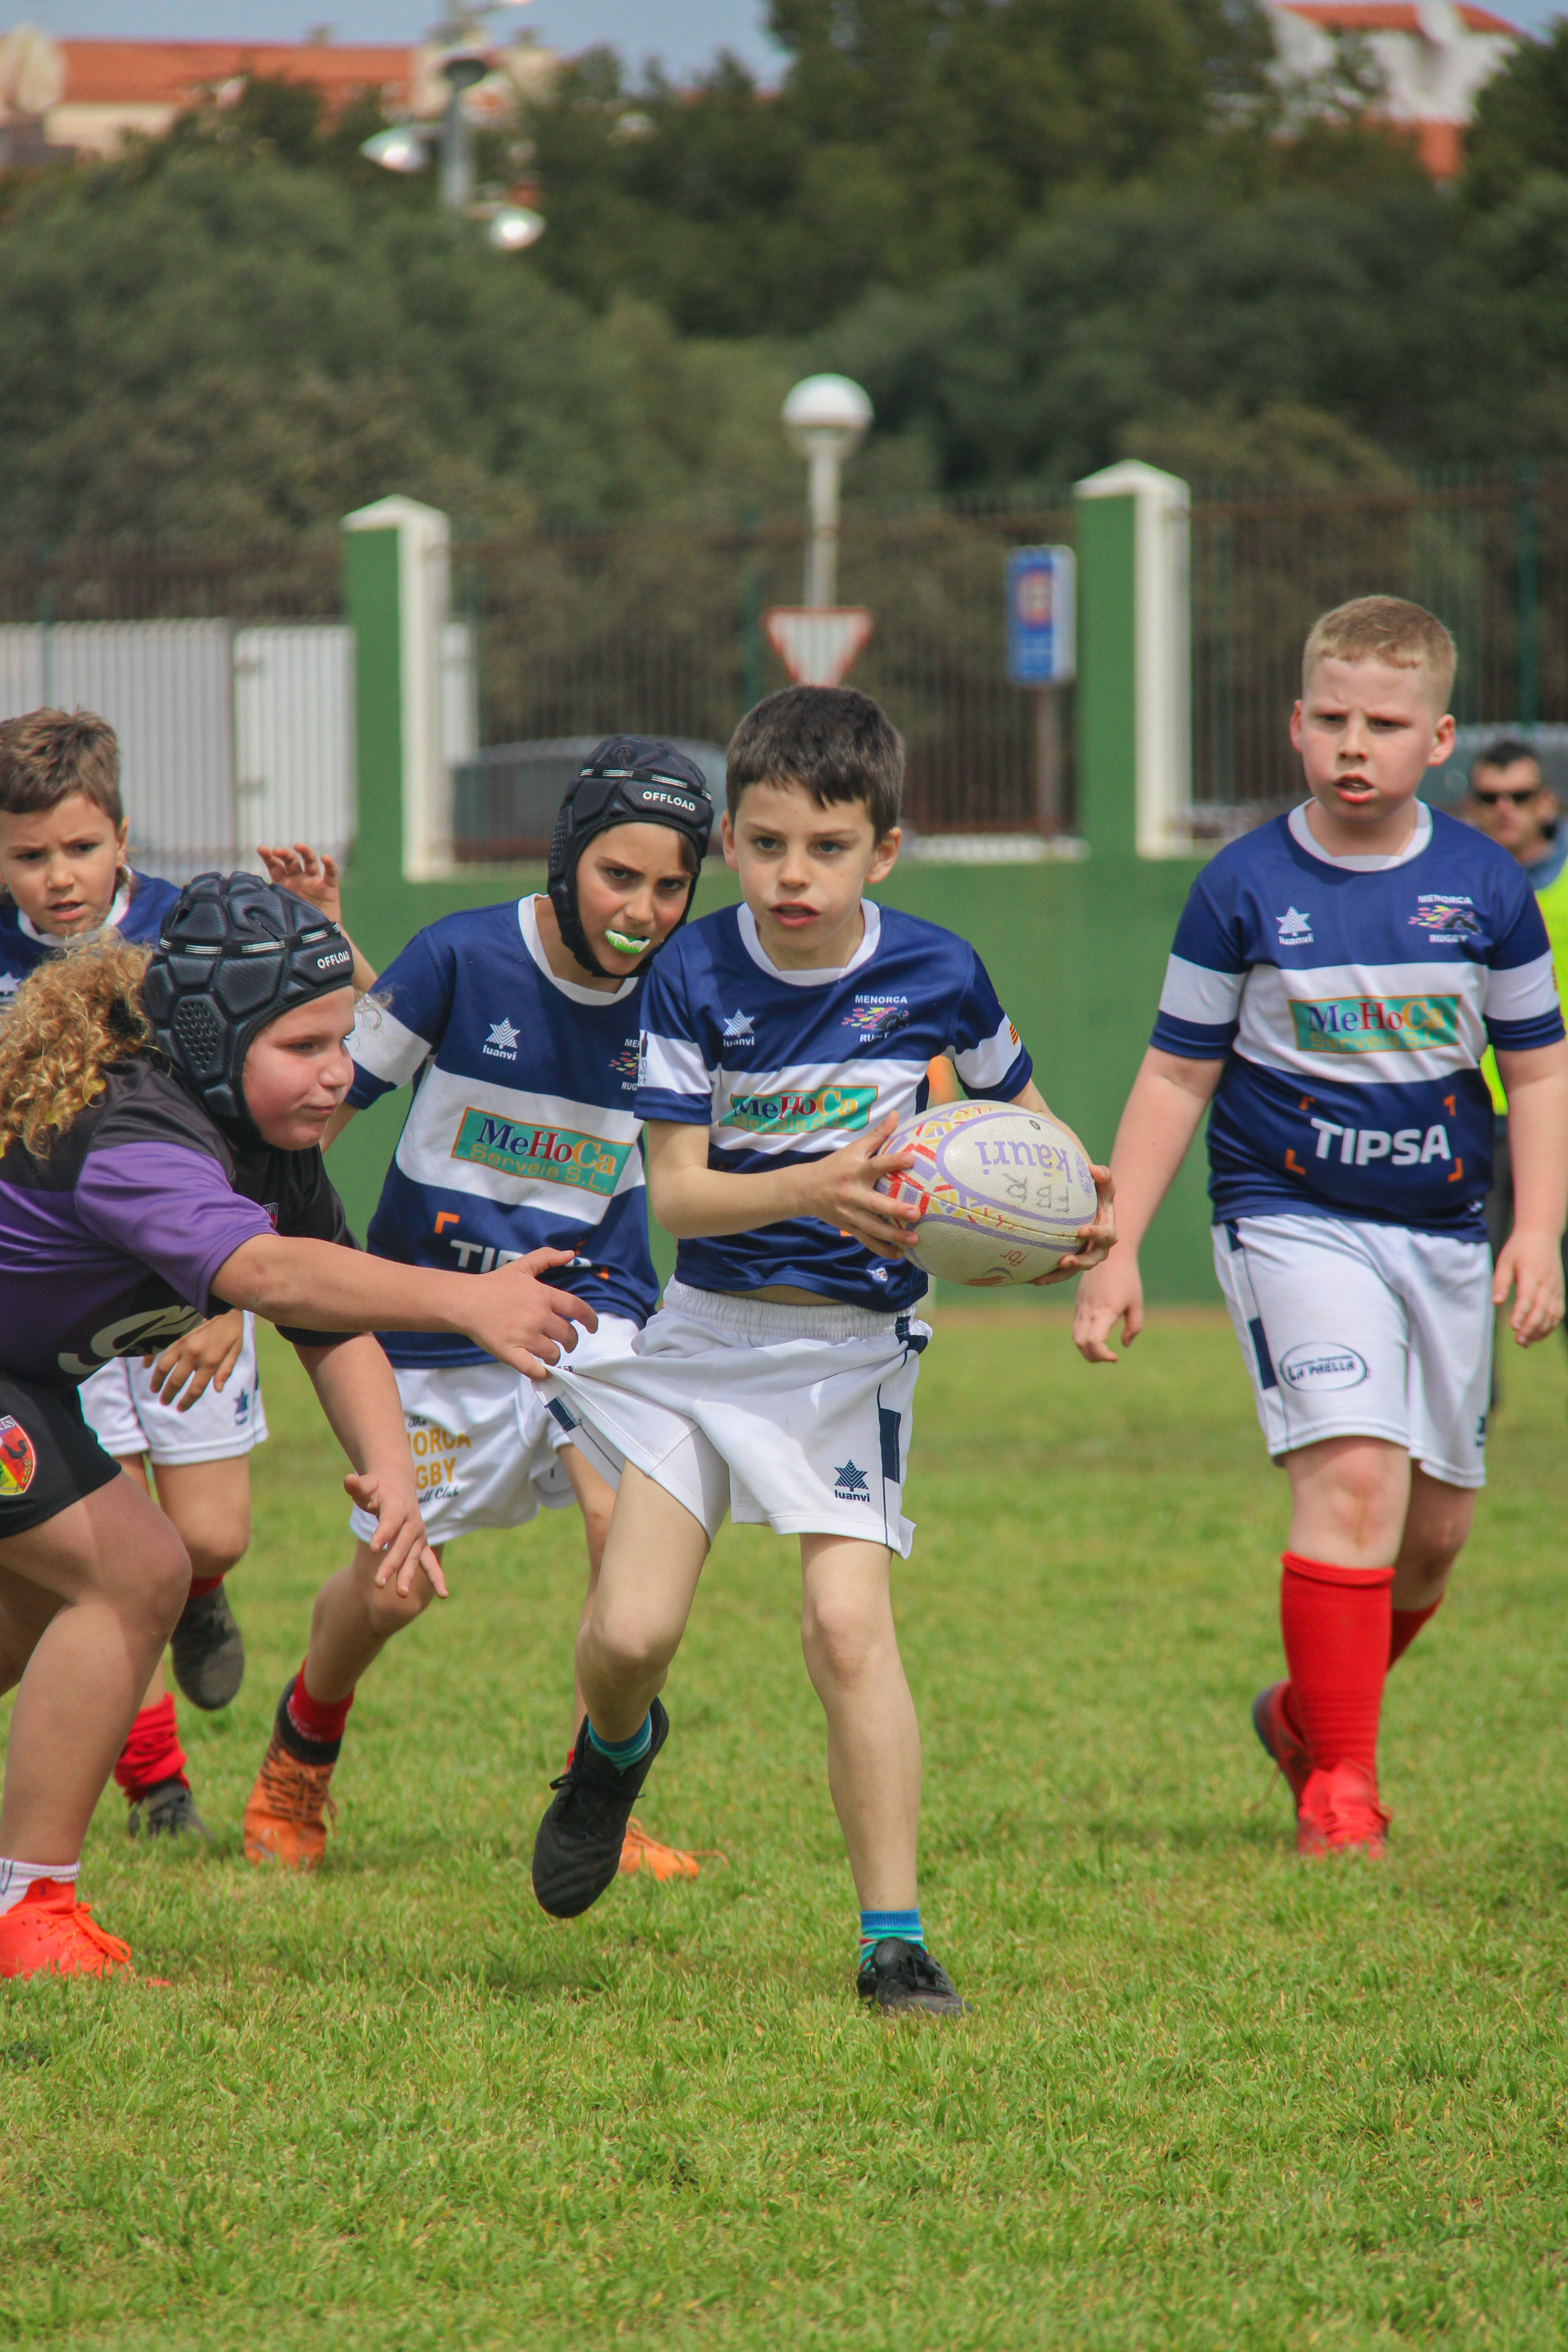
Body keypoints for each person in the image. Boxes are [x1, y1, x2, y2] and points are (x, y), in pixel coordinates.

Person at [528, 684, 1116, 2016]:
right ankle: (613, 1752)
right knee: (630, 1633)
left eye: (829, 848)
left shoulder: (940, 971)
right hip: (705, 1335)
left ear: (884, 851)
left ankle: (892, 1943)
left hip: (854, 1350)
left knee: (849, 1630)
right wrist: (818, 1185)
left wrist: (1079, 1206)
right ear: (731, 842)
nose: (796, 874)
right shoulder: (690, 975)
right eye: (769, 844)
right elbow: (679, 1198)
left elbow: (1028, 1121)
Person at [0, 871, 597, 1980]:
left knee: (24, 1623)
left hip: (25, 1381)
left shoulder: (271, 1144)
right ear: (212, 1040)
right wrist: (469, 1300)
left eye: (345, 1039)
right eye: (305, 1044)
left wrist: (393, 1473)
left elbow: (330, 1327)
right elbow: (271, 1276)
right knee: (139, 1570)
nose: (340, 1070)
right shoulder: (135, 1126)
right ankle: (30, 1911)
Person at [1073, 597, 1568, 1857]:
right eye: (1333, 718)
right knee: (1355, 1480)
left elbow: (1540, 1071)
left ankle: (1306, 1715)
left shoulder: (1488, 888)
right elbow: (1176, 1074)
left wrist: (1537, 1232)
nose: (1356, 743)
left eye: (1386, 724)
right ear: (1297, 724)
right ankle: (1342, 1788)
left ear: (1439, 740)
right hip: (1290, 1217)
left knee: (1434, 1540)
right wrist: (1117, 1247)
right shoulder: (1241, 886)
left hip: (1446, 1233)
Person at [239, 744, 718, 1884]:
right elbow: (323, 1114)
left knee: (623, 1523)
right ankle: (302, 1748)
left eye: (670, 886)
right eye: (617, 876)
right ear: (566, 859)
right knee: (393, 1589)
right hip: (433, 1320)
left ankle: (600, 1792)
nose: (642, 910)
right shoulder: (461, 955)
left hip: (591, 1308)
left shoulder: (687, 991)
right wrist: (233, 1273)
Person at [0, 706, 268, 1842]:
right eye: (28, 855)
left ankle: (202, 1598)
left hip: (187, 1279)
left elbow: (261, 1117)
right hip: (51, 1294)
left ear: (124, 837)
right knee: (112, 1555)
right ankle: (157, 1786)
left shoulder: (187, 937)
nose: (58, 877)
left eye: (80, 847)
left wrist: (227, 1293)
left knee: (209, 1538)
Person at [1463, 739, 1568, 1392]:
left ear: (1547, 804)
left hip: (1557, 1113)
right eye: (1490, 797)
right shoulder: (1453, 890)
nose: (1505, 809)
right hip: (1477, 1117)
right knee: (1469, 1283)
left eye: (1521, 796)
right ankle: (1469, 1417)